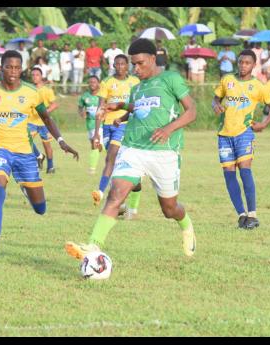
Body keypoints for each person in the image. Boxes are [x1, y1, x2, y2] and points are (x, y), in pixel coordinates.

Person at [65, 38, 197, 261]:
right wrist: (123, 107)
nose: (136, 68)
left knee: (169, 209)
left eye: (140, 63)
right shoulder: (136, 88)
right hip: (133, 147)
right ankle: (93, 246)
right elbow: (141, 108)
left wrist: (168, 129)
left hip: (164, 152)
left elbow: (192, 111)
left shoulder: (170, 79)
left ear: (153, 59)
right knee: (115, 195)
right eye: (133, 64)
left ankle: (186, 226)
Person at [0, 50, 79, 259]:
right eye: (8, 67)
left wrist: (62, 142)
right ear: (1, 68)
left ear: (22, 70)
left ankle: (26, 188)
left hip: (26, 153)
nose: (13, 71)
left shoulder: (31, 92)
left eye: (17, 67)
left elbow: (46, 118)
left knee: (40, 209)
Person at [212, 49, 270, 229]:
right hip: (224, 134)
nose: (243, 65)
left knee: (245, 170)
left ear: (253, 65)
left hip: (244, 133)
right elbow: (215, 98)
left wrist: (263, 125)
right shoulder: (227, 80)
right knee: (229, 173)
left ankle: (253, 214)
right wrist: (216, 105)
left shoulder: (258, 86)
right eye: (240, 62)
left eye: (247, 63)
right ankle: (242, 215)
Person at [91, 54, 141, 216]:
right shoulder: (107, 83)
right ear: (113, 65)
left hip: (126, 125)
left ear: (127, 66)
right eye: (117, 64)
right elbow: (100, 108)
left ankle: (100, 191)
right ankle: (126, 204)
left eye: (122, 64)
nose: (119, 66)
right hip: (107, 126)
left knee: (110, 158)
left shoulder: (135, 82)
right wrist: (97, 133)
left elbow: (138, 105)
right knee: (121, 166)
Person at [29, 67, 60, 174]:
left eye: (37, 75)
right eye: (32, 75)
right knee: (25, 140)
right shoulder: (29, 90)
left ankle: (50, 167)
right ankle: (39, 155)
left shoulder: (47, 90)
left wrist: (45, 112)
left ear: (41, 76)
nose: (34, 77)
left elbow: (55, 104)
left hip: (44, 123)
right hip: (31, 121)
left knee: (47, 145)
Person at [78, 75, 103, 174]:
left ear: (98, 84)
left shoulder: (102, 96)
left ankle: (92, 169)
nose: (92, 84)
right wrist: (82, 113)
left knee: (94, 143)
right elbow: (80, 107)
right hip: (89, 124)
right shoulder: (85, 96)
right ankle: (105, 148)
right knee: (95, 146)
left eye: (94, 82)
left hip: (100, 124)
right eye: (90, 82)